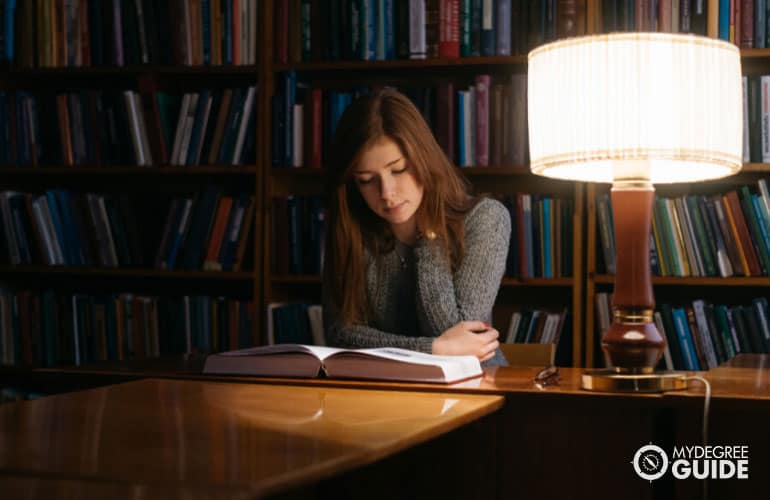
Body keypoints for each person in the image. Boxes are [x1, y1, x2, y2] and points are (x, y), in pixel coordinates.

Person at [323, 89, 511, 365]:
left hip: (475, 390)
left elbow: (460, 339)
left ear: (424, 158)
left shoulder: (487, 219)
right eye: (366, 180)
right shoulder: (352, 229)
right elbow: (340, 335)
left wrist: (430, 233)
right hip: (385, 395)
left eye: (398, 170)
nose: (386, 192)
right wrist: (432, 350)